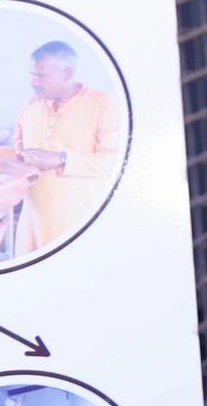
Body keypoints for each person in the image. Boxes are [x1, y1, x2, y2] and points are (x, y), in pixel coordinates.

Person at [14, 38, 124, 251]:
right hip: (32, 221)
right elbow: (18, 155)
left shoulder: (103, 104)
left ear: (67, 73)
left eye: (41, 75)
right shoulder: (29, 106)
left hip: (77, 223)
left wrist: (61, 159)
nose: (33, 82)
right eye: (32, 75)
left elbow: (113, 162)